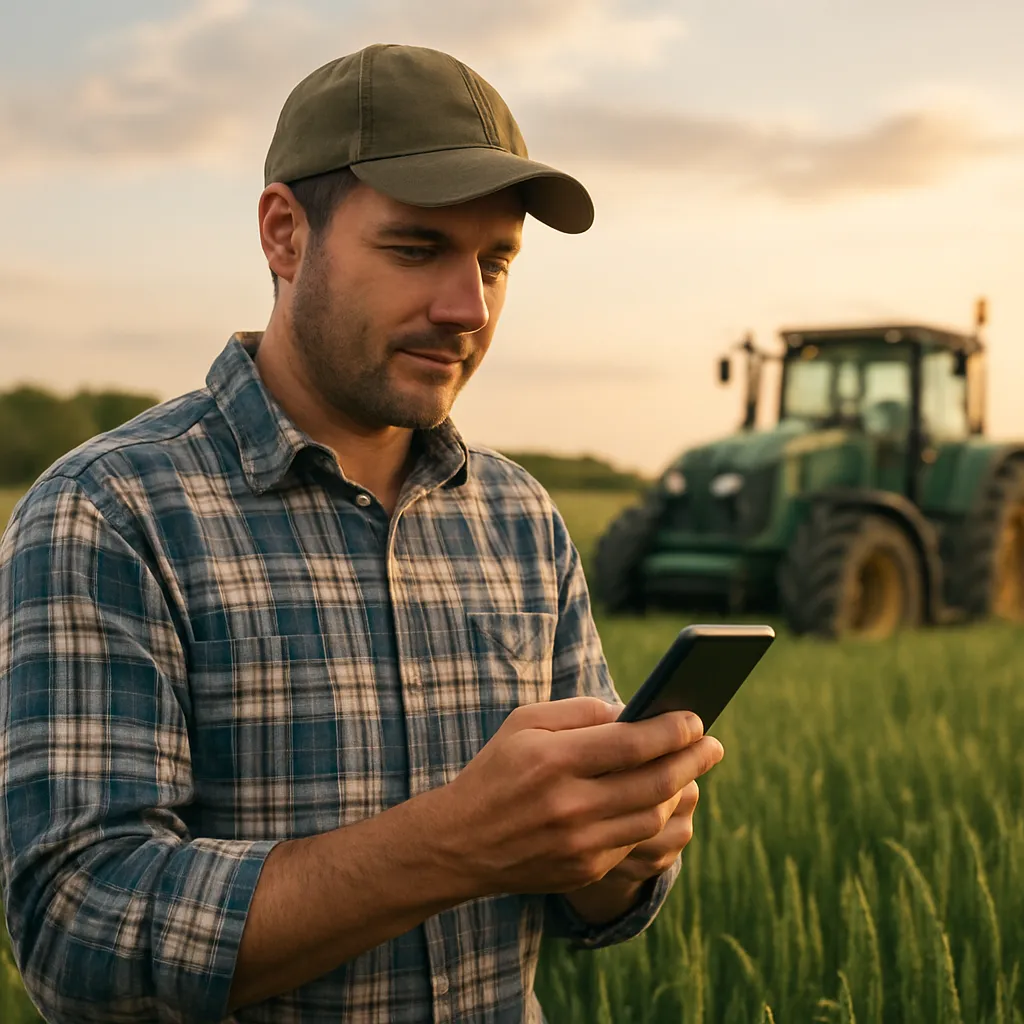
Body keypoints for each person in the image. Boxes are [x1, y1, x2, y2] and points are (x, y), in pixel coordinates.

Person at [0, 43, 724, 1023]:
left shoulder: (520, 519)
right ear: (285, 233)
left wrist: (621, 846)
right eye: (417, 248)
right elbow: (74, 929)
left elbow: (584, 908)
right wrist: (455, 840)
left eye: (495, 261)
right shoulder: (112, 509)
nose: (466, 306)